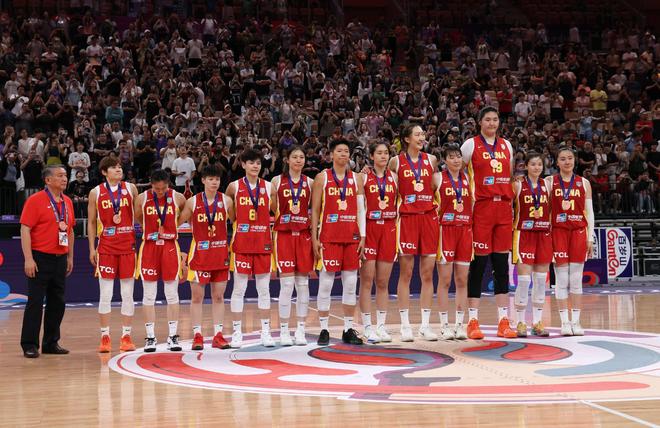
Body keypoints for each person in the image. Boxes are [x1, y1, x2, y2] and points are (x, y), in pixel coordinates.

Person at [461, 106, 516, 339]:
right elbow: (458, 173)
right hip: (481, 208)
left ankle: (504, 321)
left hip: (503, 208)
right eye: (487, 120)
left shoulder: (507, 146)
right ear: (479, 122)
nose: (492, 123)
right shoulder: (470, 145)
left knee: (501, 266)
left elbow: (509, 175)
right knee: (478, 265)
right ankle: (472, 321)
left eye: (495, 119)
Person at [311, 138, 365, 346]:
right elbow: (315, 210)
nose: (343, 154)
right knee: (326, 284)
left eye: (346, 151)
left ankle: (348, 329)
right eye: (339, 151)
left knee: (350, 285)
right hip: (329, 237)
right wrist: (314, 237)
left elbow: (361, 210)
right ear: (331, 154)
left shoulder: (357, 178)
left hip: (351, 238)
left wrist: (363, 236)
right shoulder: (322, 177)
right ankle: (323, 329)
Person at [389, 124, 439, 342]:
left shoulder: (432, 160)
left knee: (427, 274)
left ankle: (425, 326)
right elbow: (386, 186)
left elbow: (436, 186)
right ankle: (405, 326)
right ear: (407, 139)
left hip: (428, 218)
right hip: (407, 219)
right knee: (406, 273)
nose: (422, 137)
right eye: (417, 134)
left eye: (423, 134)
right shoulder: (395, 162)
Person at [20, 165, 74, 358]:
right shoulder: (35, 200)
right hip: (40, 257)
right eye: (60, 175)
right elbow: (25, 229)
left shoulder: (67, 201)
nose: (64, 178)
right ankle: (29, 344)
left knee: (57, 302)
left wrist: (70, 256)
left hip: (60, 258)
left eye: (65, 175)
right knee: (35, 302)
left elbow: (70, 230)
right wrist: (28, 259)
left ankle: (51, 342)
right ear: (48, 180)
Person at [179, 164, 234, 350]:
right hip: (199, 256)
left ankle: (218, 335)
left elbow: (235, 222)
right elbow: (177, 221)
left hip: (220, 255)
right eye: (210, 179)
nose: (214, 182)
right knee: (197, 297)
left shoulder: (226, 201)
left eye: (217, 179)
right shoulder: (192, 202)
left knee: (218, 296)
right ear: (203, 180)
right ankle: (197, 335)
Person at [88, 157, 139, 353]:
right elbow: (92, 222)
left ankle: (126, 336)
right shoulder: (96, 192)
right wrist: (92, 248)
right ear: (104, 172)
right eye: (113, 167)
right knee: (106, 294)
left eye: (120, 167)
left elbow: (139, 214)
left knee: (127, 294)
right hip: (106, 248)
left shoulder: (131, 188)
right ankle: (105, 337)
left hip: (127, 247)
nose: (118, 170)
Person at [226, 149, 274, 348]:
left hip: (263, 243)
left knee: (264, 290)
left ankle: (266, 332)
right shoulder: (234, 186)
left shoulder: (269, 187)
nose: (255, 166)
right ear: (243, 164)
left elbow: (276, 211)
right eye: (251, 162)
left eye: (258, 163)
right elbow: (231, 214)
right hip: (242, 244)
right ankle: (237, 332)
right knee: (239, 290)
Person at [134, 169, 187, 352]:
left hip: (170, 246)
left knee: (172, 293)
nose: (160, 192)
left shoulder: (178, 197)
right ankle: (150, 337)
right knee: (149, 294)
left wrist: (172, 227)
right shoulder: (142, 199)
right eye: (157, 189)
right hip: (149, 246)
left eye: (163, 188)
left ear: (168, 185)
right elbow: (138, 218)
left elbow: (184, 215)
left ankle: (173, 336)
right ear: (151, 185)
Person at [549, 146, 594, 336]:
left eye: (570, 158)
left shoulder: (584, 183)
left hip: (578, 232)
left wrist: (590, 237)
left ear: (575, 160)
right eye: (563, 159)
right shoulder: (549, 182)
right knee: (561, 279)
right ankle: (564, 322)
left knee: (576, 279)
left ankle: (576, 321)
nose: (567, 162)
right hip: (558, 232)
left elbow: (590, 213)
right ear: (557, 162)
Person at [271, 146, 313, 346]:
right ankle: (284, 330)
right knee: (287, 285)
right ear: (287, 160)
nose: (298, 160)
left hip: (304, 235)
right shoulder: (276, 181)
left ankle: (301, 330)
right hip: (284, 235)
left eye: (301, 157)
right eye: (294, 157)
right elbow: (272, 207)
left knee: (303, 285)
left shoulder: (311, 183)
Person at [358, 142, 397, 343]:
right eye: (379, 153)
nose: (383, 156)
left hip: (389, 229)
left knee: (383, 282)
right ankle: (367, 326)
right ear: (372, 156)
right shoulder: (363, 177)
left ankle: (381, 326)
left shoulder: (395, 178)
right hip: (370, 229)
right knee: (367, 281)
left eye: (386, 153)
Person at [512, 152, 552, 338]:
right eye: (533, 164)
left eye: (539, 164)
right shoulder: (518, 184)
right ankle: (520, 322)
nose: (537, 167)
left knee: (540, 281)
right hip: (524, 234)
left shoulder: (548, 185)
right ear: (526, 166)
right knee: (524, 280)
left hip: (543, 234)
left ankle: (537, 322)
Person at [435, 143, 472, 340]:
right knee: (445, 280)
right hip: (445, 232)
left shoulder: (469, 179)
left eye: (458, 156)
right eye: (451, 157)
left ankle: (459, 324)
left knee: (462, 280)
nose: (456, 160)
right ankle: (444, 325)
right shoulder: (437, 178)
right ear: (445, 160)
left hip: (465, 231)